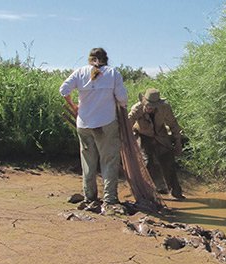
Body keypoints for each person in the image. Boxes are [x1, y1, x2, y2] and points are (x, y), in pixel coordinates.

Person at [59, 47, 128, 214]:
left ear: (90, 59)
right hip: (106, 124)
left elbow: (63, 90)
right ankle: (109, 199)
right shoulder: (112, 73)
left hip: (84, 124)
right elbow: (123, 99)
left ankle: (90, 197)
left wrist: (74, 106)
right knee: (109, 161)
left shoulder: (80, 72)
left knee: (88, 162)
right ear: (106, 59)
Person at [128, 88, 185, 199]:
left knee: (168, 161)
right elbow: (128, 124)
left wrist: (178, 142)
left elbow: (173, 124)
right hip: (143, 135)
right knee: (147, 162)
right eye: (148, 105)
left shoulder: (165, 108)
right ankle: (148, 192)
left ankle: (175, 193)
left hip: (160, 135)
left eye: (153, 106)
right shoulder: (137, 109)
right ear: (143, 102)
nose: (150, 107)